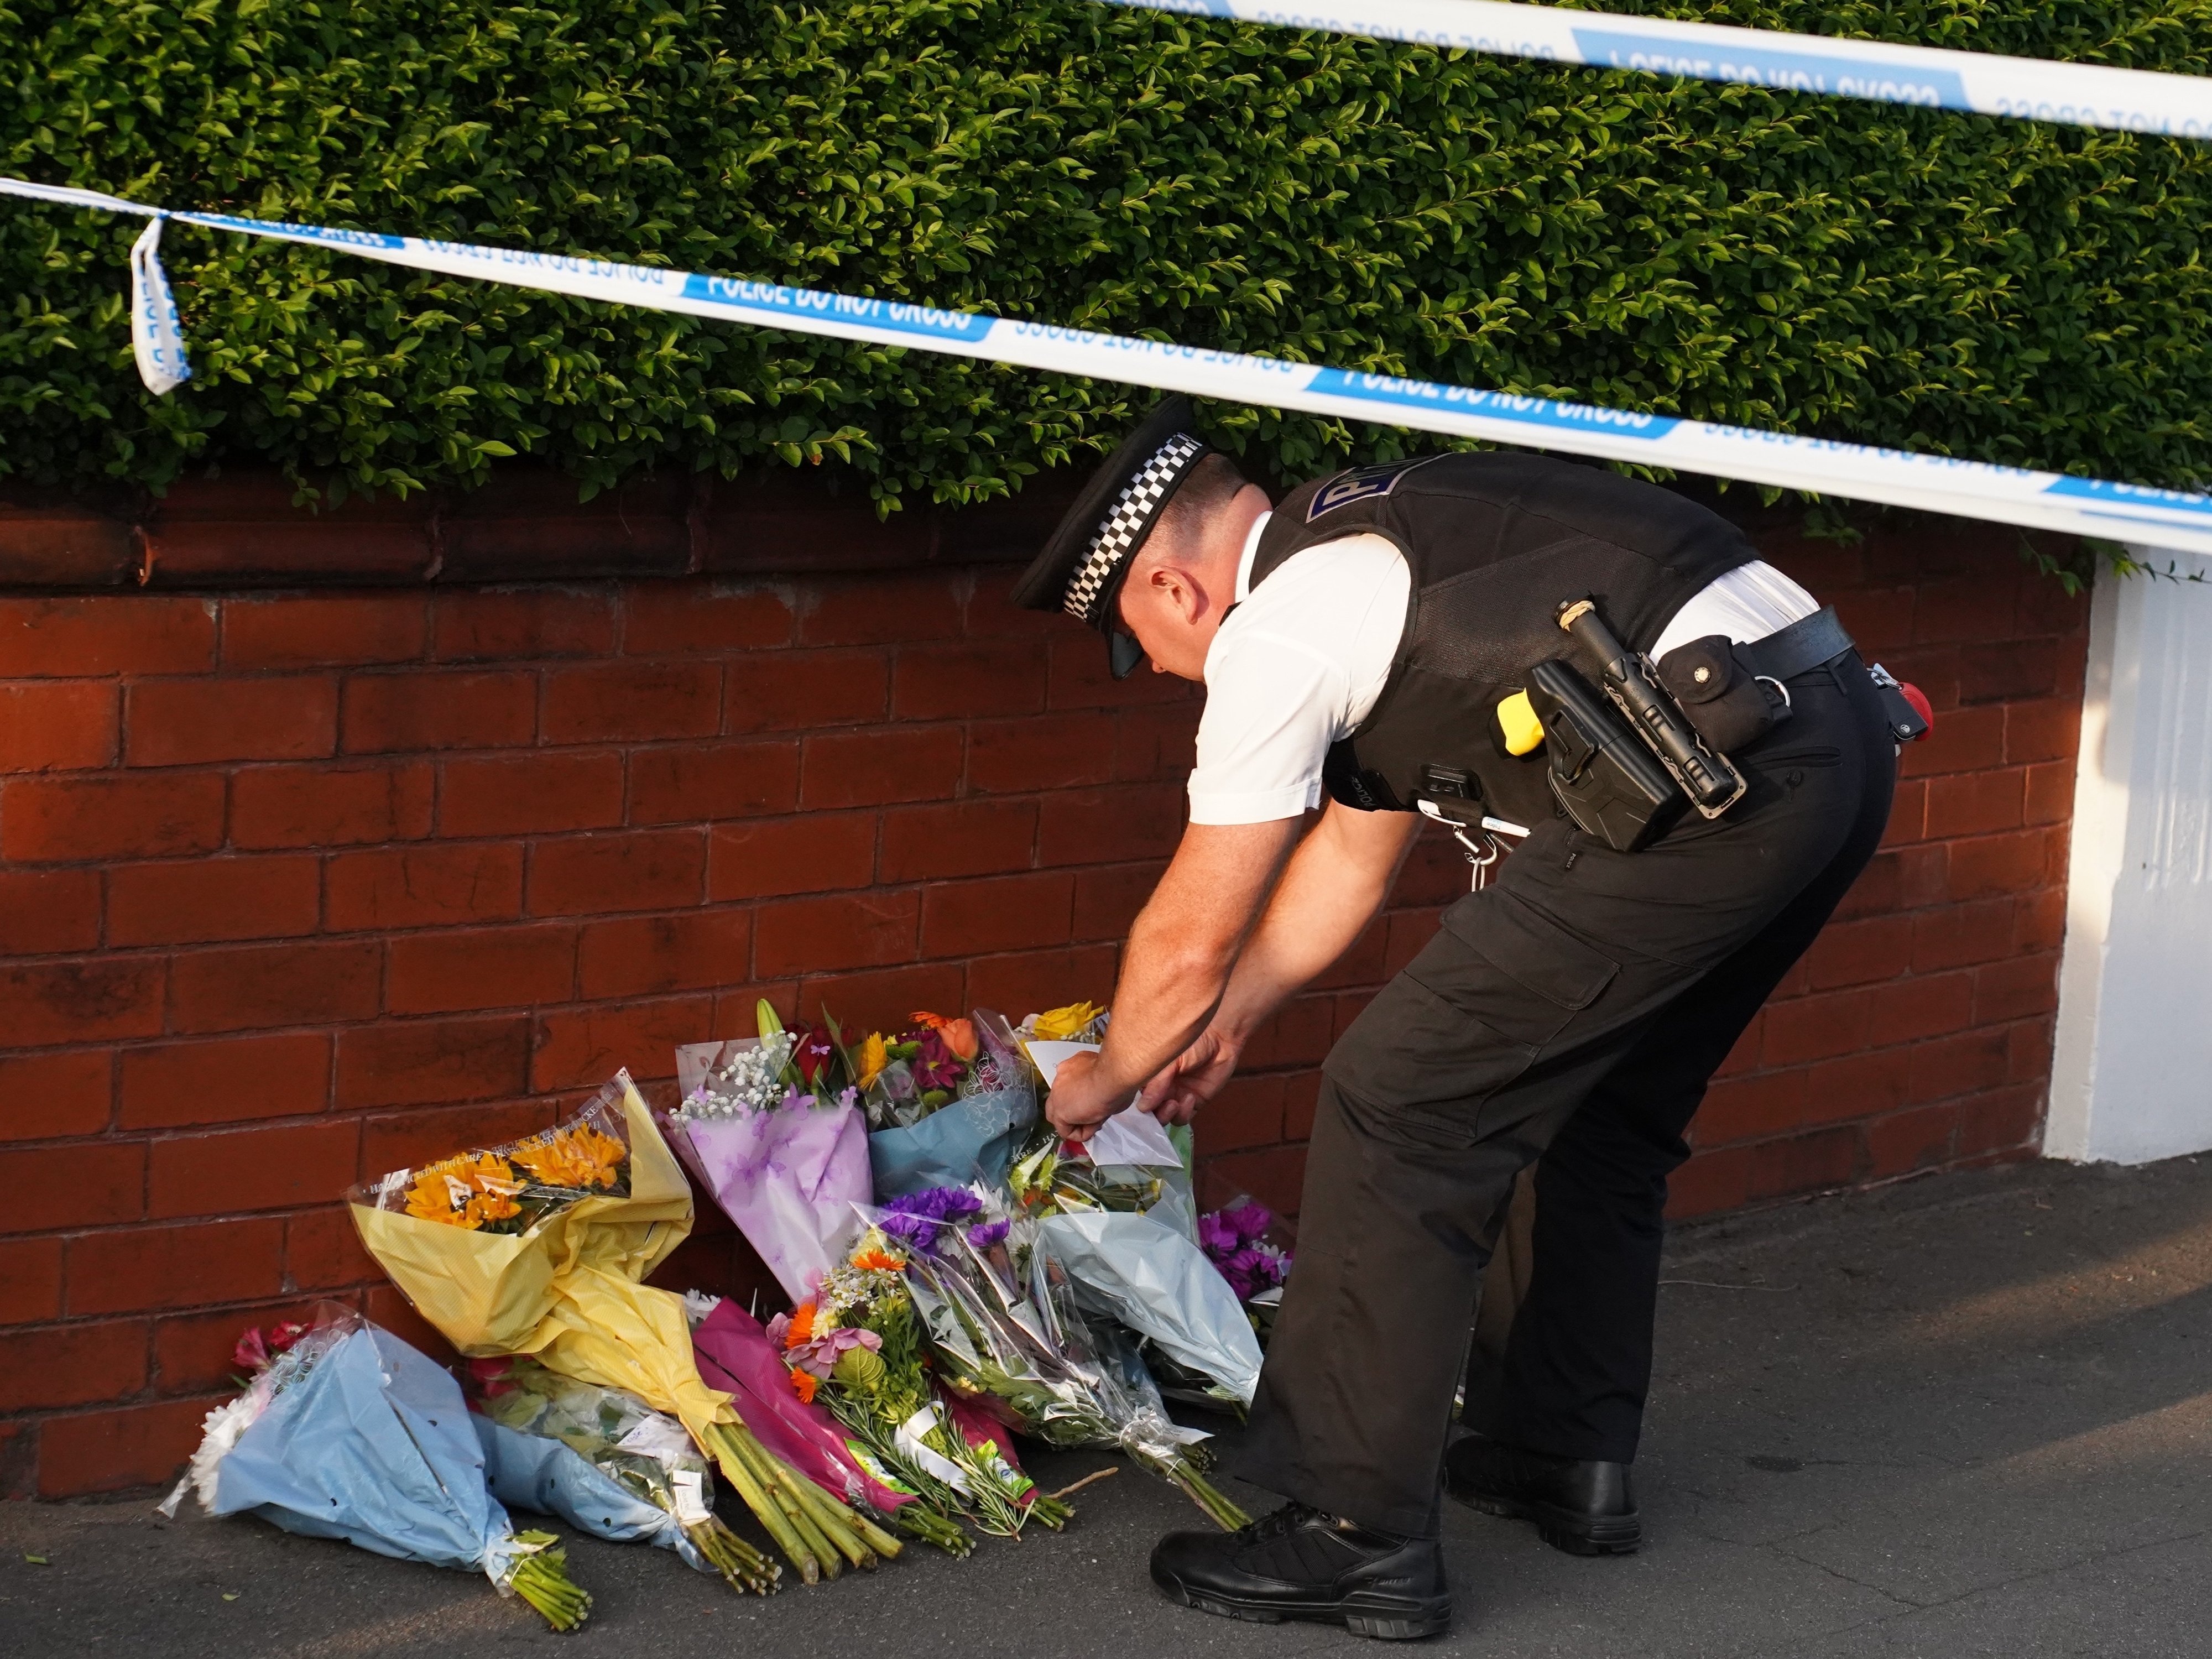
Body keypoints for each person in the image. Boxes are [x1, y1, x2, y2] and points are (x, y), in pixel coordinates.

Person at [1014, 398, 1900, 1641]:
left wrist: (1100, 1079)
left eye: (1134, 645)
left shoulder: (1278, 632)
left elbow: (1189, 925)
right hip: (1824, 742)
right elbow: (1351, 850)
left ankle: (1351, 1530)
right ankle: (1557, 1453)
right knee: (1598, 1105)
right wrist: (1231, 1024)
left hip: (1709, 778)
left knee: (1399, 1106)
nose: (1158, 674)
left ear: (1169, 587)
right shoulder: (1375, 546)